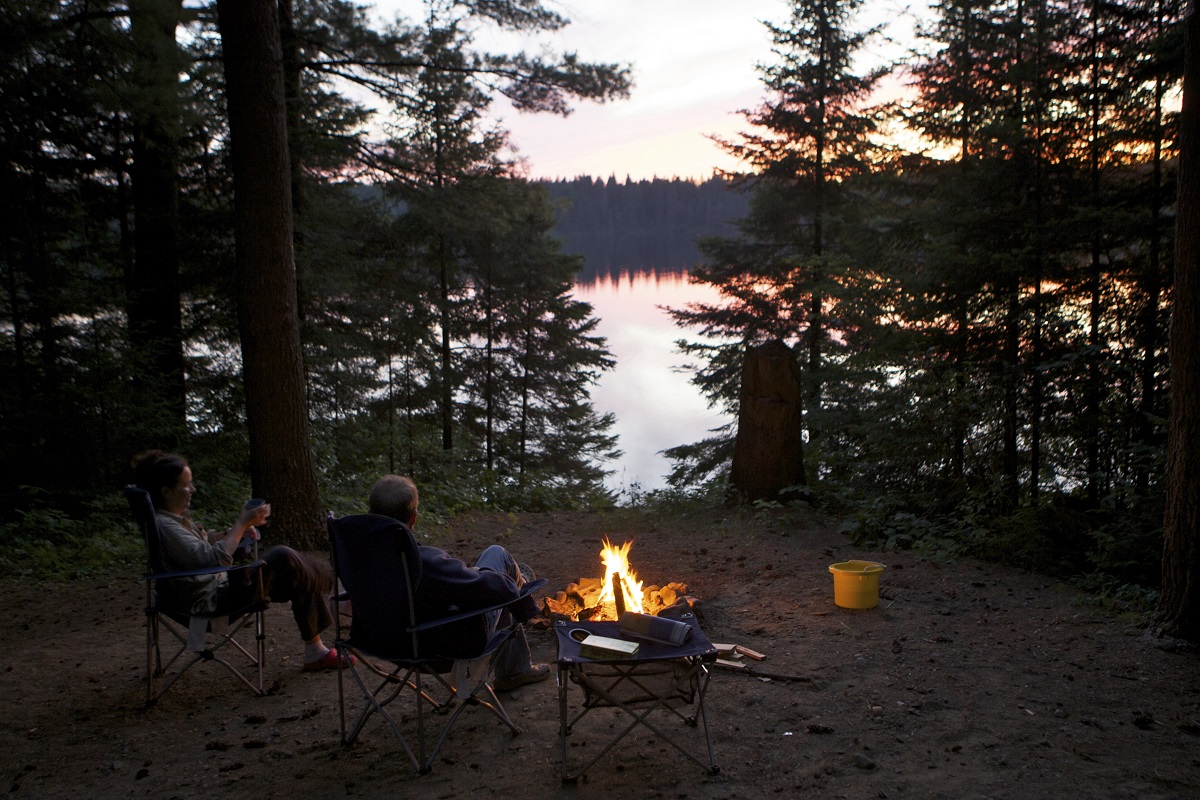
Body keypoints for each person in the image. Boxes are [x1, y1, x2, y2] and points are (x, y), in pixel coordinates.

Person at [131, 450, 354, 672]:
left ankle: (317, 648)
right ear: (166, 492)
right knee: (284, 558)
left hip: (217, 588)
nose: (193, 489)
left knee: (298, 572)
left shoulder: (174, 520)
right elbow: (212, 559)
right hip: (210, 601)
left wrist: (234, 532)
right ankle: (343, 590)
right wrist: (241, 524)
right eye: (186, 485)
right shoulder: (165, 526)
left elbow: (200, 546)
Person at [367, 474, 550, 691]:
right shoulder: (424, 562)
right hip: (447, 645)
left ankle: (516, 661)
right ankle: (523, 597)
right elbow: (491, 590)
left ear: (371, 514)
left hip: (384, 642)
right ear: (414, 517)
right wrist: (488, 578)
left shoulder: (359, 561)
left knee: (498, 577)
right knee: (499, 560)